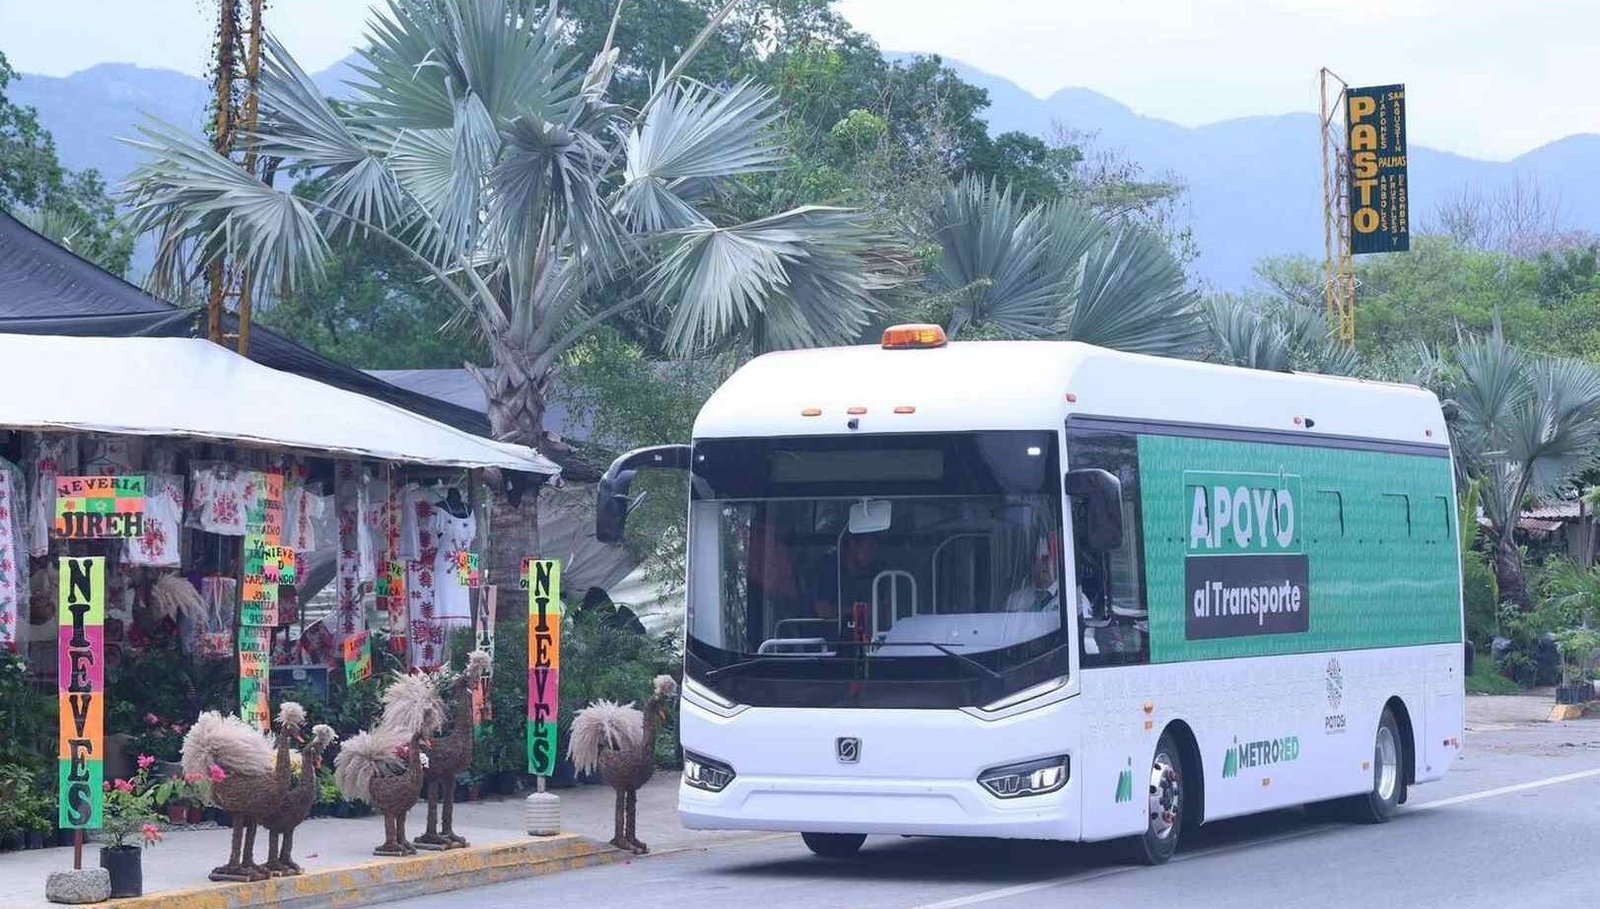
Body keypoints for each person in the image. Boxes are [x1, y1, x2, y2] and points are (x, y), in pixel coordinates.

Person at [812, 534, 881, 622]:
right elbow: (823, 610)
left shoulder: (873, 573)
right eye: (870, 546)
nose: (873, 553)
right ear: (853, 545)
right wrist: (858, 610)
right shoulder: (830, 569)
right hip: (825, 633)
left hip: (862, 633)